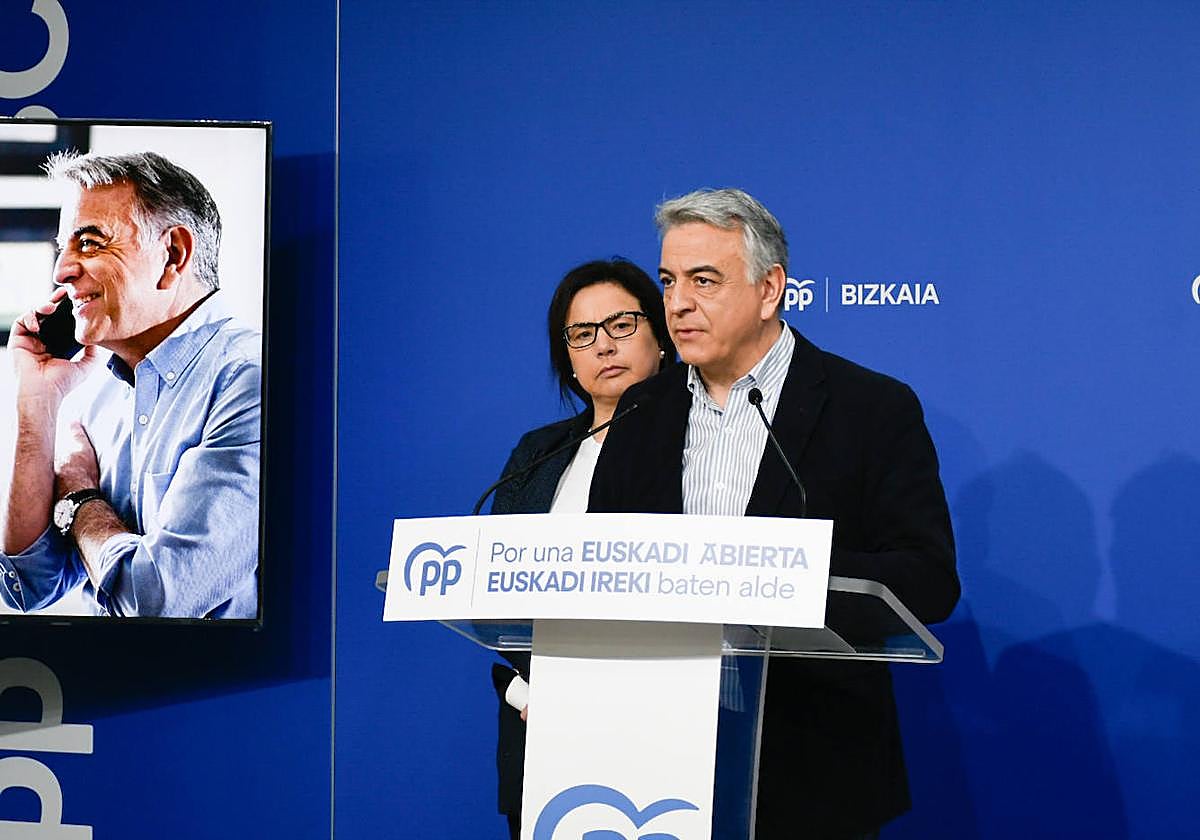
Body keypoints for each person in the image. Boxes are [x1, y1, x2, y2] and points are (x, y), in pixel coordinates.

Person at [589, 189, 960, 839]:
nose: (677, 304)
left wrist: (779, 576)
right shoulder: (641, 412)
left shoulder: (870, 409)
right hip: (652, 770)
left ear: (770, 289)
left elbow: (929, 579)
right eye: (669, 281)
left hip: (813, 769)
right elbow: (602, 569)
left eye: (705, 281)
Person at [0, 150, 260, 619]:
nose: (62, 270)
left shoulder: (248, 381)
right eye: (63, 248)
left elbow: (155, 603)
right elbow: (25, 587)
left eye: (91, 243)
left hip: (224, 691)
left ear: (173, 255)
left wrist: (79, 498)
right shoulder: (94, 390)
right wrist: (36, 406)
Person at [488, 258, 675, 840]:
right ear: (567, 358)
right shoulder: (538, 453)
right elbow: (493, 590)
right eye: (582, 335)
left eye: (621, 325)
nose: (602, 347)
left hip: (668, 729)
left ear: (662, 337)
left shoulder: (707, 448)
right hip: (544, 728)